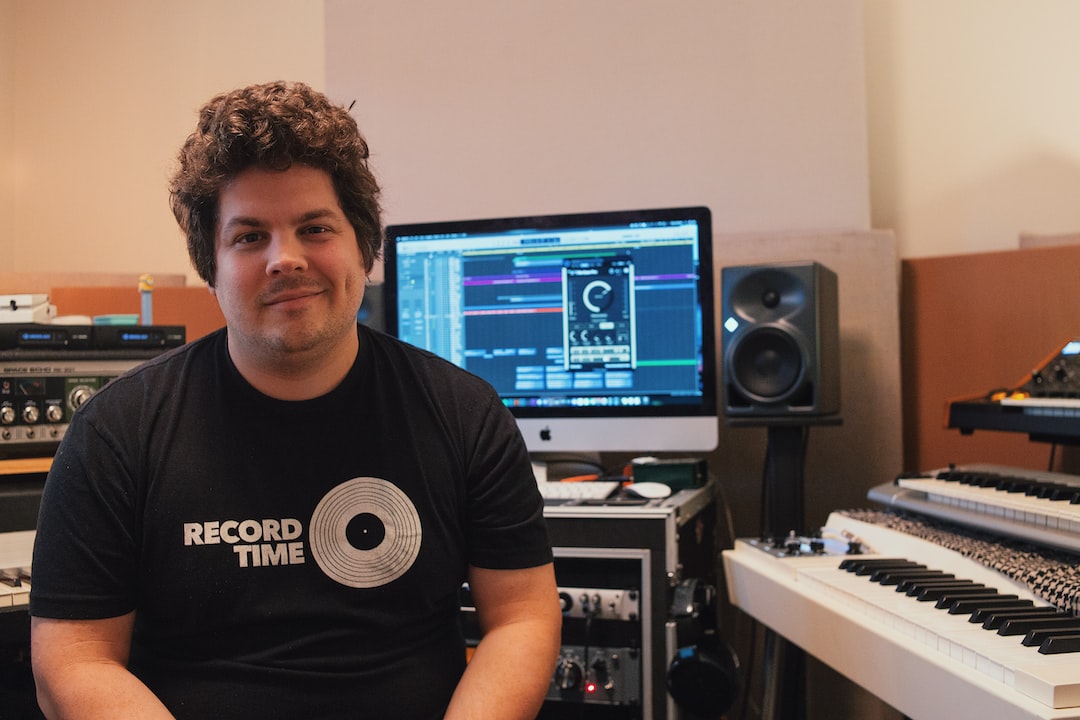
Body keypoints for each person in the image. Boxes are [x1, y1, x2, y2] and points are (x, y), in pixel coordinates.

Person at [29, 81, 562, 719]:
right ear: (213, 268)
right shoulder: (116, 433)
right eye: (249, 237)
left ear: (364, 251)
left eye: (314, 228)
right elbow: (75, 658)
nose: (285, 259)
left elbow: (522, 617)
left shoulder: (465, 415)